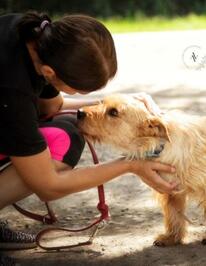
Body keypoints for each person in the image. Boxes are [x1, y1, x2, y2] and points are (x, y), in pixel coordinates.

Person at [0, 11, 177, 263]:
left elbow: (51, 106)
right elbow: (47, 186)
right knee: (61, 143)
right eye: (85, 89)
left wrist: (123, 102)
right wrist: (130, 164)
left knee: (68, 131)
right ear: (50, 72)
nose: (89, 94)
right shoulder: (11, 88)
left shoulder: (39, 39)